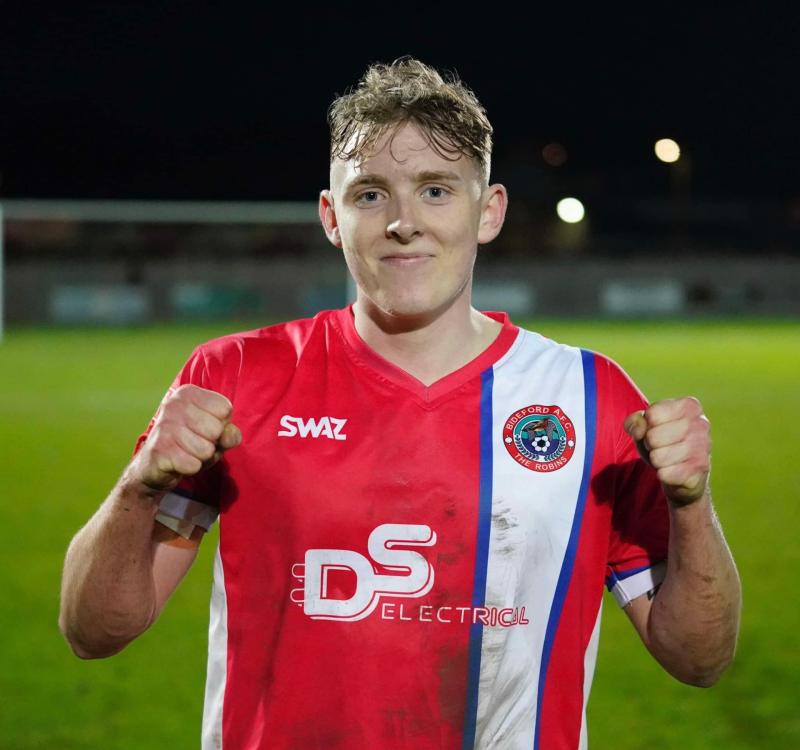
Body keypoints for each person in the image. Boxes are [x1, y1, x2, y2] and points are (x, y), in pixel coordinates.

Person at [59, 58, 741, 750]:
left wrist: (691, 505)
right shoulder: (234, 377)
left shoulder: (589, 398)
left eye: (436, 190)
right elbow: (93, 631)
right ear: (332, 217)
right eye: (370, 194)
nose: (403, 223)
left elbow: (699, 659)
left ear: (489, 210)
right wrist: (138, 484)